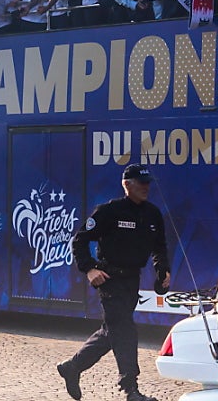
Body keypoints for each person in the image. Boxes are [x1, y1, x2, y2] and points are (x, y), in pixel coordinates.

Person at [58, 164, 170, 401]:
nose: (146, 187)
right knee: (125, 330)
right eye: (141, 183)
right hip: (110, 280)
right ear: (126, 185)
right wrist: (89, 269)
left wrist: (163, 271)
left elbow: (159, 247)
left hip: (132, 281)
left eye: (148, 183)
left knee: (112, 332)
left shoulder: (153, 214)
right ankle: (131, 389)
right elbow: (79, 241)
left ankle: (72, 367)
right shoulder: (109, 211)